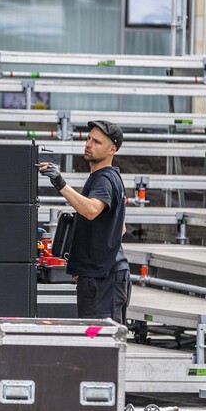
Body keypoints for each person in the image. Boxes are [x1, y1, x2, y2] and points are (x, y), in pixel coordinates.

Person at [39, 120, 130, 325]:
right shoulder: (110, 177)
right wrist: (87, 267)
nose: (89, 144)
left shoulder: (104, 179)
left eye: (97, 141)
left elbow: (91, 211)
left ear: (112, 149)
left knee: (97, 336)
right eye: (88, 138)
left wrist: (60, 183)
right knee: (101, 337)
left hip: (103, 281)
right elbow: (120, 228)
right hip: (105, 275)